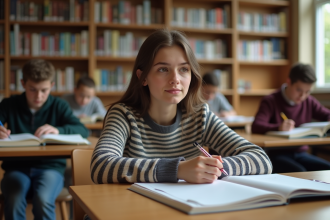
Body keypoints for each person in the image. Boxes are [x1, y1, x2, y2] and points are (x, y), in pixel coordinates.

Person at [90, 29, 272, 185]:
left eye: (184, 69)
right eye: (163, 69)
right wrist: (177, 169)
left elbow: (260, 158)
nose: (175, 79)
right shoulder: (123, 115)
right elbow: (101, 165)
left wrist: (214, 168)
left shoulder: (200, 115)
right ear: (142, 77)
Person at [0, 59, 89, 220]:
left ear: (52, 86)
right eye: (32, 89)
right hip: (16, 168)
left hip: (50, 168)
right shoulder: (8, 104)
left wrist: (58, 130)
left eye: (44, 90)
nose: (38, 96)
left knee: (43, 200)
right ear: (23, 83)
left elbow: (82, 130)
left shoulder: (59, 105)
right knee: (14, 199)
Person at [252, 63, 330, 173]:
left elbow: (327, 114)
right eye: (299, 90)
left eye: (307, 92)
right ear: (288, 82)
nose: (303, 96)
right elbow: (256, 126)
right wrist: (278, 127)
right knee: (300, 171)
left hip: (301, 153)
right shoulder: (270, 100)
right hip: (276, 154)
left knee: (327, 168)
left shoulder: (309, 101)